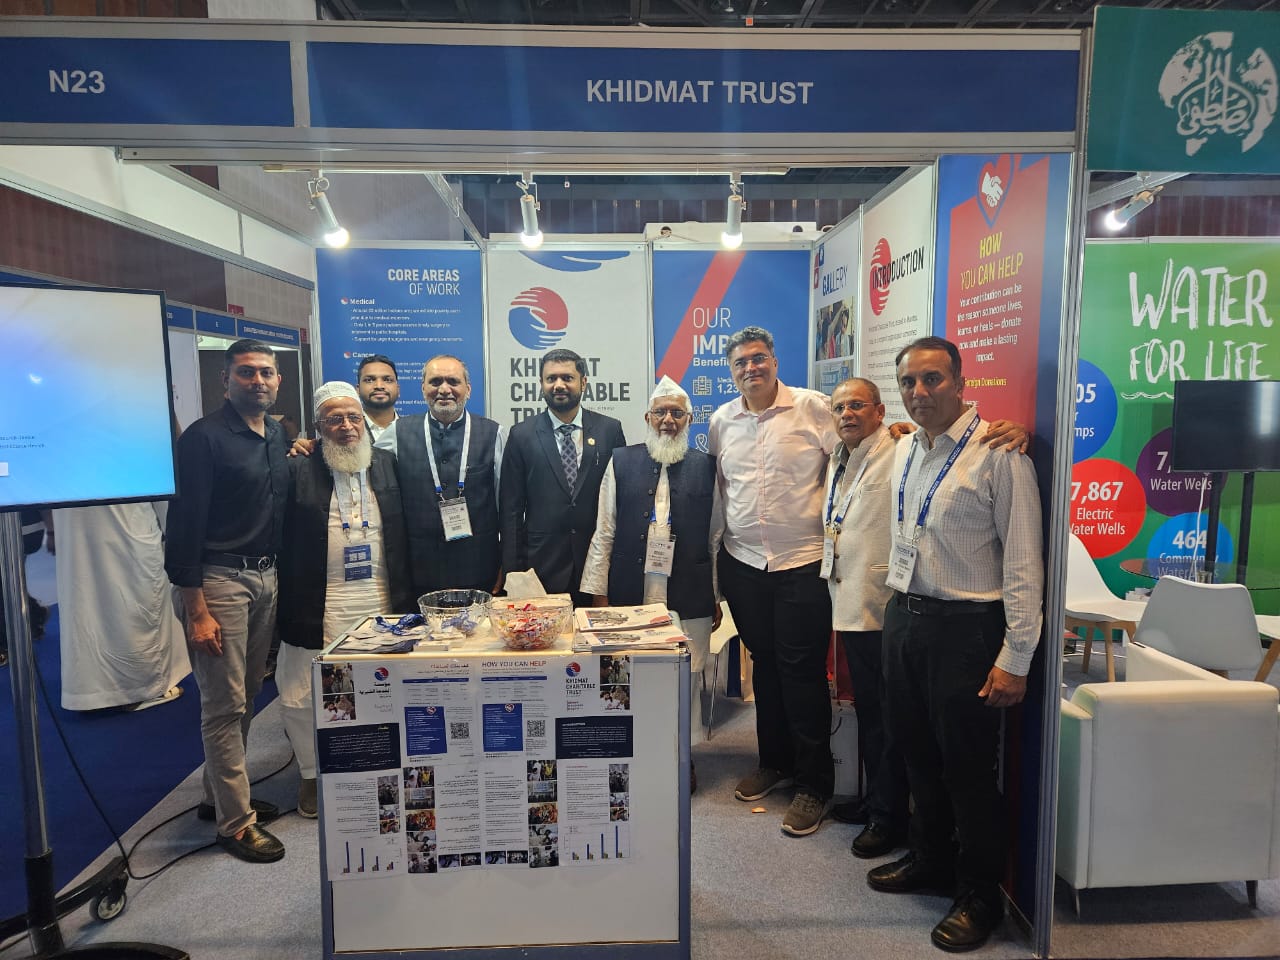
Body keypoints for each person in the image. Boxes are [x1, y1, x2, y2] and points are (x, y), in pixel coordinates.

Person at [866, 336, 1043, 953]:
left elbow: (1023, 564)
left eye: (933, 379)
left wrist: (1016, 658)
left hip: (967, 630)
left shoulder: (1000, 454)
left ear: (961, 383)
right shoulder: (906, 446)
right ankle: (931, 858)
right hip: (906, 618)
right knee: (916, 752)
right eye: (908, 382)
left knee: (967, 770)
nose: (919, 392)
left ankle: (980, 895)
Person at [708, 325, 838, 838]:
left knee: (801, 671)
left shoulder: (814, 408)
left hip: (802, 562)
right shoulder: (722, 421)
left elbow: (858, 453)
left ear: (775, 361)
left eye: (758, 358)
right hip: (744, 564)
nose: (751, 368)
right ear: (731, 371)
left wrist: (892, 431)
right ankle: (774, 761)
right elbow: (722, 493)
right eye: (741, 362)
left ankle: (814, 784)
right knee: (764, 665)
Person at [164, 339, 290, 864]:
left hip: (265, 577)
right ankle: (236, 825)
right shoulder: (203, 439)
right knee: (224, 704)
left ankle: (218, 797)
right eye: (246, 372)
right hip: (218, 582)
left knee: (247, 694)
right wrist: (196, 610)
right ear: (225, 381)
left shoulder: (276, 434)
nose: (257, 381)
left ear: (278, 379)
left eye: (266, 372)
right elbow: (182, 529)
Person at [277, 382, 412, 818]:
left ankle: (372, 763)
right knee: (303, 692)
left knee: (379, 685)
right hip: (319, 598)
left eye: (354, 417)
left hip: (381, 596)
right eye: (335, 419)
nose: (347, 427)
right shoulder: (297, 468)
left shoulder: (387, 464)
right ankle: (311, 773)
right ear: (318, 427)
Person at [580, 376, 723, 786]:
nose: (668, 420)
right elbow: (604, 529)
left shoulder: (706, 467)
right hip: (631, 589)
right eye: (660, 412)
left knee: (687, 677)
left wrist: (715, 596)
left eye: (677, 413)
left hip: (689, 589)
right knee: (630, 676)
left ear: (690, 419)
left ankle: (682, 758)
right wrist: (599, 593)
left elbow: (716, 536)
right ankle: (635, 756)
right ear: (647, 417)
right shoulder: (621, 461)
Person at [821, 377, 910, 858]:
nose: (846, 414)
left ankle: (888, 816)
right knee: (869, 710)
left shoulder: (901, 449)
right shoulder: (839, 456)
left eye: (857, 405)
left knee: (887, 717)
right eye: (839, 408)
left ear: (879, 411)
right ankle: (875, 800)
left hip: (881, 606)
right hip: (847, 600)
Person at [500, 348, 626, 603]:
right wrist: (513, 571)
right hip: (540, 567)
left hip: (595, 565)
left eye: (567, 378)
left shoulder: (609, 430)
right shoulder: (521, 435)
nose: (559, 385)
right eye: (551, 378)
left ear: (583, 382)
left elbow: (620, 502)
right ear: (541, 384)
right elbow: (511, 510)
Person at [375, 355, 504, 597]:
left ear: (468, 389)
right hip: (418, 571)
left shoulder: (493, 433)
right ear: (423, 388)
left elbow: (506, 505)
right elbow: (362, 466)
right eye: (435, 382)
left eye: (453, 381)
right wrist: (312, 448)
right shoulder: (397, 432)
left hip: (480, 568)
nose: (444, 389)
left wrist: (507, 560)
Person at [48, 503, 190, 711]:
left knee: (84, 603)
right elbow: (166, 499)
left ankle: (91, 690)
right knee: (131, 604)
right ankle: (143, 688)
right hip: (127, 529)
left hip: (76, 528)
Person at [356, 354, 400, 441]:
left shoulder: (416, 433)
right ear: (358, 390)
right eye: (369, 380)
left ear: (398, 389)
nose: (379, 386)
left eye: (387, 380)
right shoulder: (347, 433)